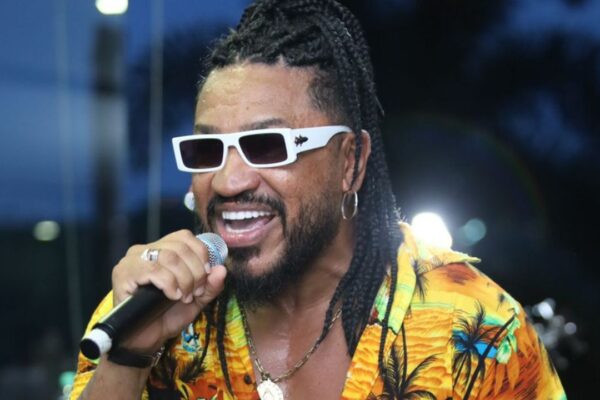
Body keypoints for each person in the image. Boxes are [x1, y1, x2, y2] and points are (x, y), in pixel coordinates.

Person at [70, 1, 566, 399]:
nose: (227, 181)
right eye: (207, 150)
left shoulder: (474, 328)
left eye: (268, 146)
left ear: (350, 161)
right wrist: (129, 357)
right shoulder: (146, 308)